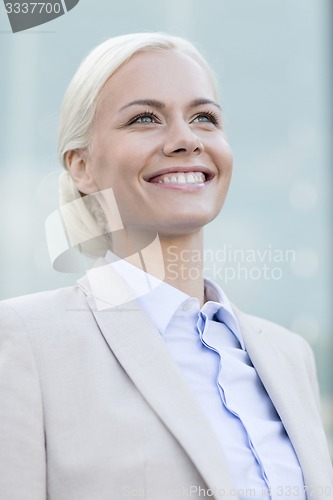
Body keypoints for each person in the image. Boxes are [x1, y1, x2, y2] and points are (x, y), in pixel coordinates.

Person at [0, 32, 332, 500]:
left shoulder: (289, 355)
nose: (185, 139)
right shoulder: (24, 341)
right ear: (81, 166)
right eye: (144, 118)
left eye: (204, 117)